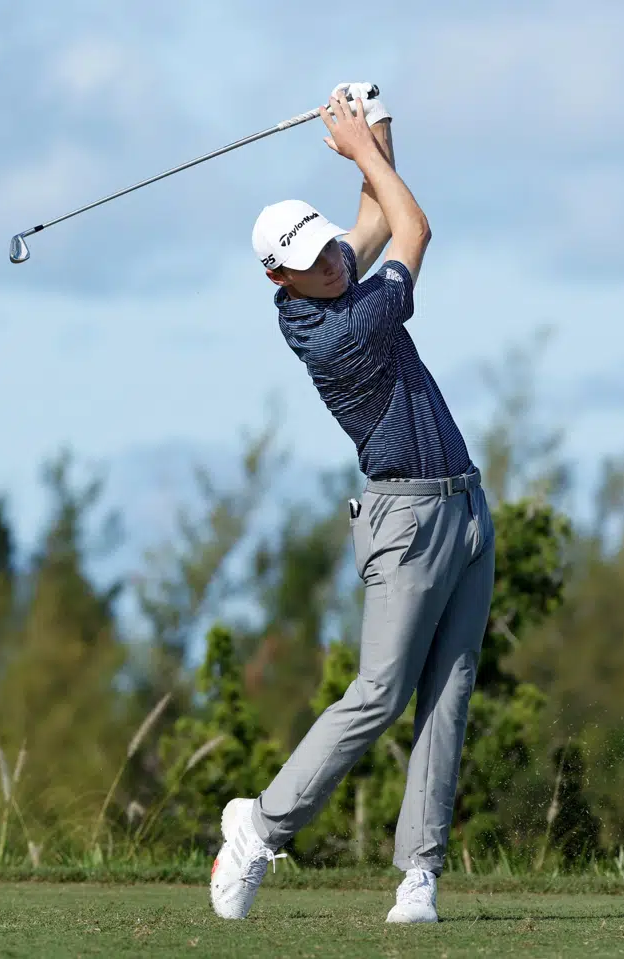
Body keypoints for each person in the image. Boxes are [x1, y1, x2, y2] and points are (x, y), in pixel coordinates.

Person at [209, 83, 495, 925]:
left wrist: (373, 113)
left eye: (328, 249)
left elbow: (371, 218)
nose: (333, 261)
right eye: (313, 260)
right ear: (279, 278)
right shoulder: (339, 331)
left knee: (449, 694)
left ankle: (419, 876)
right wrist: (359, 147)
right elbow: (412, 228)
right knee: (379, 692)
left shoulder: (332, 281)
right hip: (404, 522)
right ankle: (260, 828)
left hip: (466, 509)